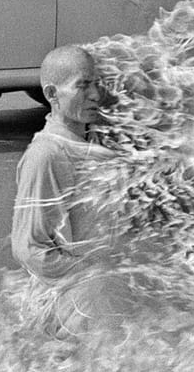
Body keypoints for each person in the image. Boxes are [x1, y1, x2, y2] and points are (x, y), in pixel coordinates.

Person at [11, 45, 119, 337]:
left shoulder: (92, 140)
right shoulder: (47, 155)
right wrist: (87, 279)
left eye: (97, 83)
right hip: (78, 308)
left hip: (104, 298)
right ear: (51, 94)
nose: (95, 95)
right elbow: (29, 248)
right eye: (82, 86)